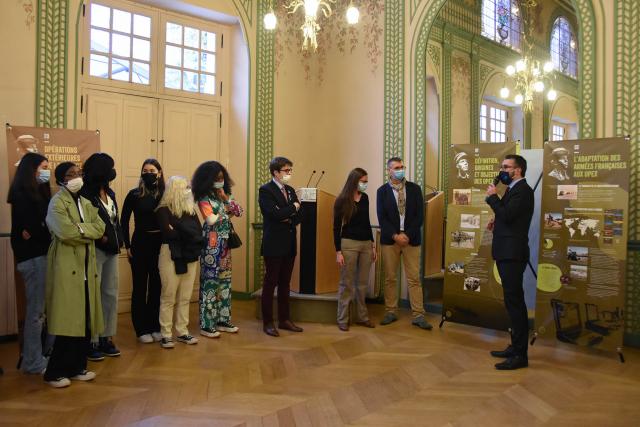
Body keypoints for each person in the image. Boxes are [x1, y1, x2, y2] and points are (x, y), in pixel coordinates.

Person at [44, 162, 105, 388]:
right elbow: (65, 232)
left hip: (86, 269)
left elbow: (100, 229)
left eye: (78, 173)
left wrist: (81, 229)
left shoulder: (86, 202)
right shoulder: (57, 202)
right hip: (67, 267)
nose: (76, 177)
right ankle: (54, 373)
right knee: (68, 322)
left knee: (85, 321)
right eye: (71, 175)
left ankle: (77, 367)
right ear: (61, 179)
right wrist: (83, 230)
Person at [485, 154, 534, 370]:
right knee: (511, 301)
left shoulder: (523, 190)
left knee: (515, 303)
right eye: (502, 166)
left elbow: (508, 215)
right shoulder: (513, 189)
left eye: (506, 167)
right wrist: (497, 223)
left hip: (513, 254)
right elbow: (507, 218)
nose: (502, 170)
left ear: (518, 170)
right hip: (506, 251)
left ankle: (520, 355)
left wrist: (493, 198)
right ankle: (514, 347)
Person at [8, 152, 52, 374]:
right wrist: (41, 230)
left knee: (41, 312)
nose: (47, 170)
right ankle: (33, 362)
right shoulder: (22, 193)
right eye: (44, 166)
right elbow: (32, 230)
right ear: (32, 168)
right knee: (36, 314)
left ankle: (39, 355)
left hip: (41, 255)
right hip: (33, 258)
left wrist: (41, 230)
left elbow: (42, 226)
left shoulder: (40, 192)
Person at [376, 157, 432, 330]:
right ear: (389, 171)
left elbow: (419, 216)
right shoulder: (382, 191)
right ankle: (391, 311)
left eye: (402, 167)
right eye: (397, 167)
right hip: (390, 240)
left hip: (411, 239)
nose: (400, 170)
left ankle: (418, 315)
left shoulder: (414, 189)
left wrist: (406, 235)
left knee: (414, 278)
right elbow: (382, 217)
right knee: (390, 278)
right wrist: (395, 236)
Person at [192, 161, 243, 338]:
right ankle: (207, 323)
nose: (220, 181)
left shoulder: (224, 194)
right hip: (211, 244)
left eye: (222, 177)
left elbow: (239, 211)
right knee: (210, 282)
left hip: (225, 245)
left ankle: (223, 319)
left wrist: (226, 200)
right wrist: (226, 213)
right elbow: (210, 220)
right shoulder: (203, 198)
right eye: (217, 178)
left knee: (225, 281)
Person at [80, 153, 124, 361]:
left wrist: (120, 239)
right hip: (94, 250)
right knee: (93, 295)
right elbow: (86, 222)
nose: (113, 171)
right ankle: (92, 340)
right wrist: (101, 238)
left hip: (112, 250)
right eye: (111, 167)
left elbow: (116, 220)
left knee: (110, 293)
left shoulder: (110, 192)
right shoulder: (85, 194)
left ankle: (107, 337)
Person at [258, 157, 303, 337]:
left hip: (289, 243)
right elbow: (273, 214)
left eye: (290, 170)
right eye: (286, 170)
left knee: (285, 284)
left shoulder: (291, 190)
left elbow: (300, 215)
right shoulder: (265, 190)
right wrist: (292, 208)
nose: (289, 173)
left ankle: (284, 320)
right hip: (273, 244)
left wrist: (288, 214)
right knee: (270, 283)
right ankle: (268, 322)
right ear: (276, 172)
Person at [121, 159, 165, 343]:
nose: (148, 173)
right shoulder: (134, 194)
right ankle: (141, 329)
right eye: (145, 170)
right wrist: (127, 246)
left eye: (152, 170)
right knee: (140, 287)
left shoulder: (165, 194)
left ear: (160, 173)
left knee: (156, 287)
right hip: (140, 243)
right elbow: (123, 221)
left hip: (161, 245)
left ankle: (154, 325)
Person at [156, 176, 202, 349]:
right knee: (169, 296)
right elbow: (168, 234)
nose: (188, 191)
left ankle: (182, 331)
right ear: (175, 190)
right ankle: (166, 334)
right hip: (170, 254)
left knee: (185, 296)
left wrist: (180, 230)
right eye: (185, 188)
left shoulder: (191, 210)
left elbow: (198, 231)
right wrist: (187, 232)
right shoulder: (163, 209)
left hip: (189, 253)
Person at [333, 168, 376, 331]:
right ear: (354, 181)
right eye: (363, 181)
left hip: (365, 244)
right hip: (348, 244)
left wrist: (372, 245)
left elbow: (366, 222)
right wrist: (338, 251)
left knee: (362, 284)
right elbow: (336, 228)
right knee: (347, 283)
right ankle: (343, 319)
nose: (365, 184)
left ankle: (362, 317)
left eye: (366, 181)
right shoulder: (341, 200)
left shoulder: (365, 198)